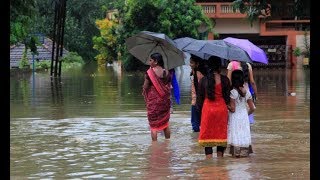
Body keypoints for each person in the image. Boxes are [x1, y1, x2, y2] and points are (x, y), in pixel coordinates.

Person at [197, 56, 231, 158]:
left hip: (208, 110)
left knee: (208, 137)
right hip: (221, 110)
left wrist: (201, 115)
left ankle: (209, 161)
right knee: (220, 135)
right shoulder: (225, 80)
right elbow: (227, 99)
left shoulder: (203, 80)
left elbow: (200, 100)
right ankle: (220, 159)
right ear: (219, 66)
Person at [142, 53, 172, 141]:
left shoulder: (150, 73)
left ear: (156, 61)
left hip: (154, 103)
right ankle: (168, 142)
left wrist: (146, 80)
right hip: (164, 102)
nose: (149, 62)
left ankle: (154, 146)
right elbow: (168, 86)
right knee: (165, 124)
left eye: (151, 60)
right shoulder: (166, 72)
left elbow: (145, 87)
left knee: (153, 126)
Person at [227, 70, 255, 157]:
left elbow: (233, 109)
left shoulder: (232, 92)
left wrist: (226, 105)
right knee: (244, 133)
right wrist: (246, 114)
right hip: (244, 116)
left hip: (235, 118)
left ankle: (236, 154)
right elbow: (252, 108)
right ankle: (244, 154)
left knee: (236, 135)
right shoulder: (247, 92)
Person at [189, 55, 206, 132]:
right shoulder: (194, 71)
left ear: (197, 64)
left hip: (197, 100)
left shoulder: (198, 73)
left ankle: (197, 138)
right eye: (190, 62)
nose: (190, 64)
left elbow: (201, 87)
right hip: (195, 100)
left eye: (192, 63)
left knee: (195, 125)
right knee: (197, 122)